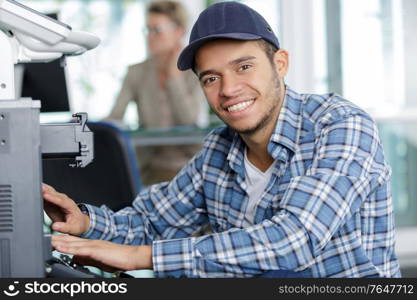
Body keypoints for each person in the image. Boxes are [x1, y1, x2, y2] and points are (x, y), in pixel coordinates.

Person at [44, 2, 401, 278]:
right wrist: (86, 222)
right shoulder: (219, 149)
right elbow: (152, 222)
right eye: (211, 78)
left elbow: (295, 239)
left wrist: (144, 257)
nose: (229, 90)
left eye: (244, 67)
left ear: (280, 64)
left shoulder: (340, 127)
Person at [107, 1, 206, 185]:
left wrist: (174, 78)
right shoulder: (136, 71)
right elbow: (115, 117)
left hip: (190, 167)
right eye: (147, 30)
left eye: (157, 30)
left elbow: (188, 119)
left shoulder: (196, 71)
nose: (150, 37)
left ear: (179, 32)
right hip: (149, 170)